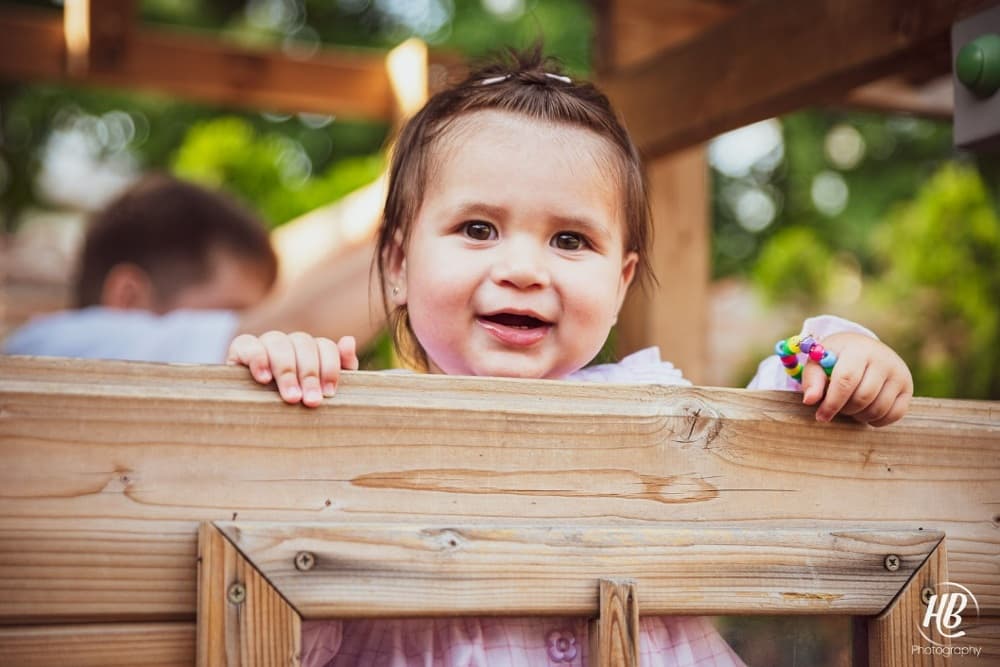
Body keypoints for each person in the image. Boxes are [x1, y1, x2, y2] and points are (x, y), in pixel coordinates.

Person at [227, 50, 913, 666]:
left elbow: (776, 421)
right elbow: (282, 629)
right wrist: (285, 391)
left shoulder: (650, 399)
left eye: (571, 240)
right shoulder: (355, 421)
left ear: (620, 283)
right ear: (399, 263)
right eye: (478, 228)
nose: (523, 268)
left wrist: (839, 355)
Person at [3, 174, 379, 363]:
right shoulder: (58, 345)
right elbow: (298, 322)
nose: (256, 334)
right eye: (231, 314)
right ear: (127, 297)